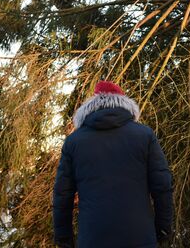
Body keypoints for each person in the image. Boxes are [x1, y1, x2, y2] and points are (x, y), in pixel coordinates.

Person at [53, 81, 174, 247]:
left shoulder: (74, 142)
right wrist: (164, 228)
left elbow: (62, 194)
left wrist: (63, 237)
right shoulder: (144, 135)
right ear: (124, 103)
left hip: (93, 239)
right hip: (139, 237)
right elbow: (162, 187)